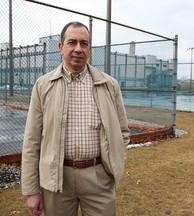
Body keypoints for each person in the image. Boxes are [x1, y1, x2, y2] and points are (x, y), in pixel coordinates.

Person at [21, 21, 130, 216]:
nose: (78, 49)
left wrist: (113, 165)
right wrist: (31, 190)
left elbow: (122, 131)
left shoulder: (109, 85)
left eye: (84, 43)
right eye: (72, 42)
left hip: (99, 177)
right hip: (57, 180)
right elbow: (32, 140)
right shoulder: (43, 85)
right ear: (61, 47)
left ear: (89, 48)